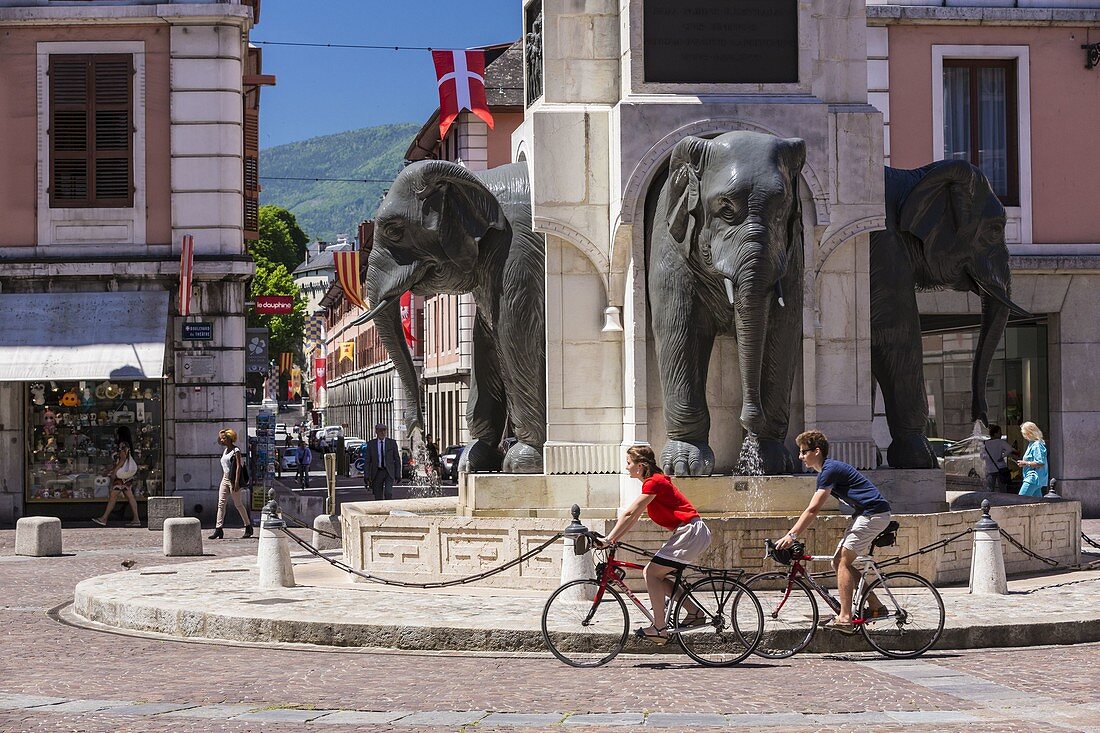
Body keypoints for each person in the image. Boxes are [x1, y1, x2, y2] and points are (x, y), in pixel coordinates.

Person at [777, 430, 891, 634]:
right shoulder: (826, 472)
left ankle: (845, 618)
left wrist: (792, 535)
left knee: (844, 562)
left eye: (803, 452)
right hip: (865, 514)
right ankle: (875, 606)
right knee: (837, 562)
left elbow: (813, 509)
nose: (800, 457)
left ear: (817, 451)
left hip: (873, 514)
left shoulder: (829, 470)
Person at [596, 445, 711, 645]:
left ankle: (659, 627)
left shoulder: (654, 483)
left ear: (640, 466)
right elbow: (633, 519)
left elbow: (629, 513)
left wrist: (608, 539)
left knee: (650, 572)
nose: (626, 467)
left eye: (629, 463)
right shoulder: (654, 483)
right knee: (657, 574)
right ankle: (694, 612)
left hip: (690, 532)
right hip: (690, 532)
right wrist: (613, 539)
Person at [92, 426, 141, 527]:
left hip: (121, 475)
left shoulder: (122, 445)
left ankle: (104, 518)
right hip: (127, 475)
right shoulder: (128, 445)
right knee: (129, 496)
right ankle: (136, 518)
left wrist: (114, 471)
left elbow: (122, 460)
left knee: (114, 496)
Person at [209, 428, 253, 539]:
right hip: (224, 478)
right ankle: (218, 528)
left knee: (238, 504)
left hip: (233, 480)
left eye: (224, 438)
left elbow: (238, 467)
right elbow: (219, 441)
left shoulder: (236, 451)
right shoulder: (225, 450)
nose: (221, 440)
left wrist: (237, 482)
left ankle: (248, 526)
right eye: (222, 438)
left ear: (229, 439)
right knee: (221, 503)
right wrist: (221, 432)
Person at [364, 423, 401, 501]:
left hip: (389, 472)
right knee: (378, 496)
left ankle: (388, 507)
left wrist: (398, 473)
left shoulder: (392, 443)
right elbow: (367, 461)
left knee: (388, 493)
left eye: (384, 430)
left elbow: (397, 459)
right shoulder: (371, 444)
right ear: (376, 431)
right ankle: (380, 511)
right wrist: (366, 475)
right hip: (377, 472)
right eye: (380, 430)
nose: (382, 432)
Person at [1017, 421, 1048, 498]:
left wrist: (1025, 463)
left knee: (1021, 500)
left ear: (1029, 433)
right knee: (1037, 503)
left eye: (1024, 433)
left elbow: (1040, 462)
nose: (1024, 436)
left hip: (1033, 478)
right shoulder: (1032, 444)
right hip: (1034, 479)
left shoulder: (1037, 445)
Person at [982, 425, 1014, 492]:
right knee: (1003, 489)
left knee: (990, 489)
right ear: (995, 433)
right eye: (999, 432)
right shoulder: (1000, 442)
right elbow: (1010, 449)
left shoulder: (985, 443)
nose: (1001, 434)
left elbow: (982, 456)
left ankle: (990, 501)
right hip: (1000, 468)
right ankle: (1004, 501)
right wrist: (1002, 456)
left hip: (990, 469)